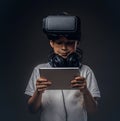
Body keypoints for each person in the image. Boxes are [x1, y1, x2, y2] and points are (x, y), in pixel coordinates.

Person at [24, 12, 101, 121]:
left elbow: (93, 110)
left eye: (69, 43)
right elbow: (32, 110)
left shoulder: (86, 71)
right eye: (59, 43)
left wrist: (85, 91)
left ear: (77, 43)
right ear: (51, 43)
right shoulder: (39, 70)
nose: (64, 48)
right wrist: (38, 91)